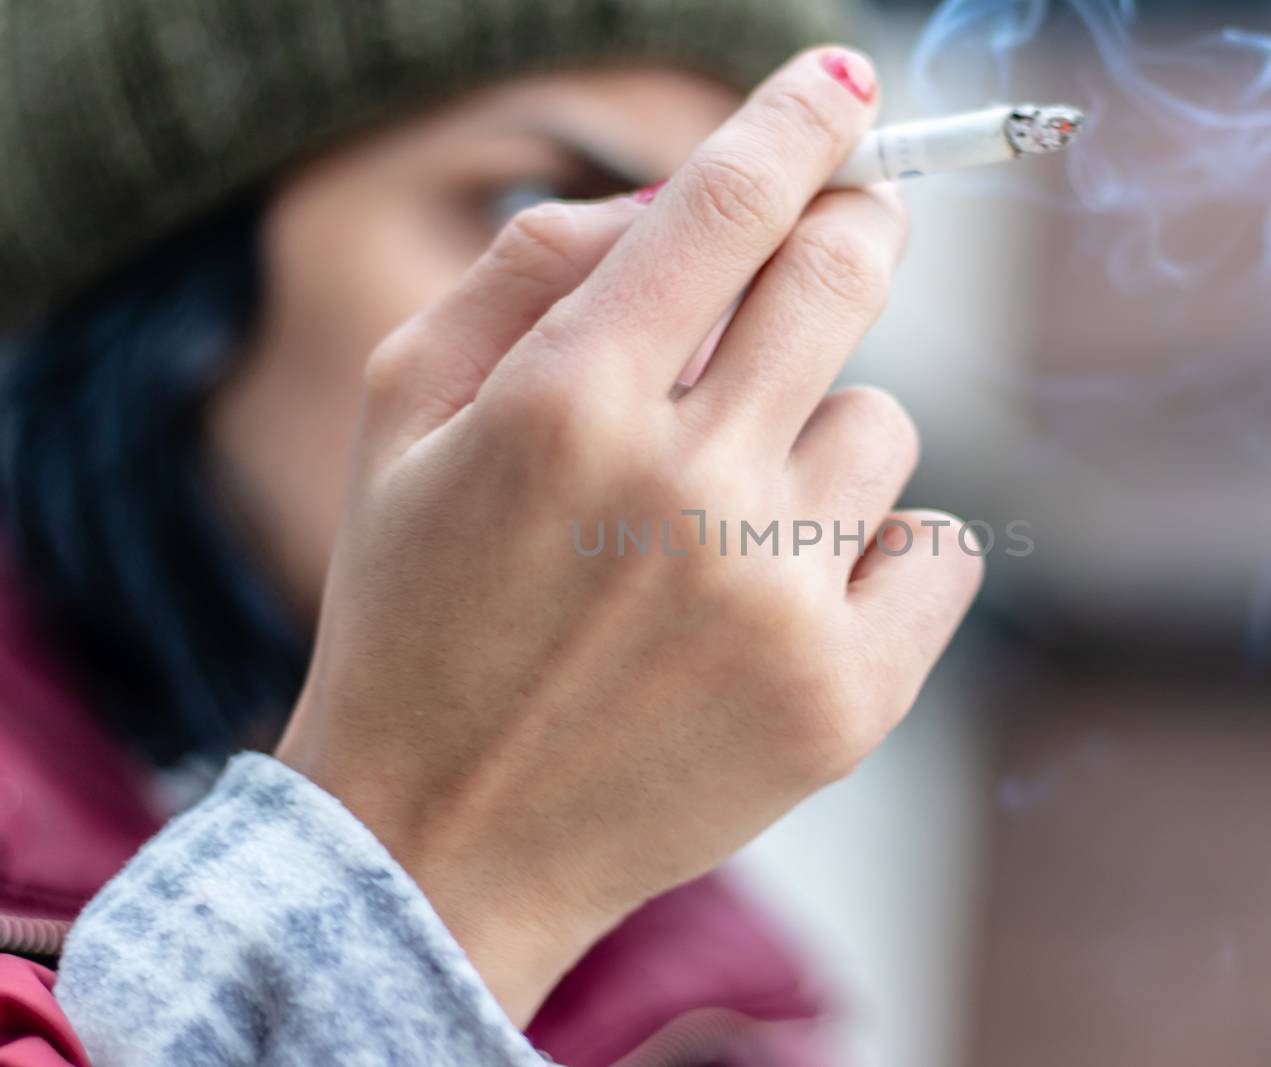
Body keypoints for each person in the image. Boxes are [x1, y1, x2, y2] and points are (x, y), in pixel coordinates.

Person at [0, 2, 981, 1064]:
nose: (668, 357)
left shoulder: (717, 1024)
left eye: (749, 265)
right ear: (170, 261)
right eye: (535, 198)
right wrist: (429, 872)